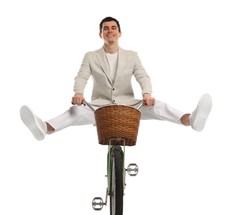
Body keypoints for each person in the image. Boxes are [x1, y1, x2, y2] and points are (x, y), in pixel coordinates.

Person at [20, 16, 212, 141]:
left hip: (130, 105)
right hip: (99, 107)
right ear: (100, 34)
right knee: (75, 111)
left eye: (113, 28)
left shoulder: (132, 55)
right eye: (106, 28)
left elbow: (142, 75)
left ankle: (191, 119)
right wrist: (78, 93)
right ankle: (44, 127)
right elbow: (82, 76)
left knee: (158, 105)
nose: (109, 31)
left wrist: (147, 93)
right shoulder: (91, 56)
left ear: (119, 33)